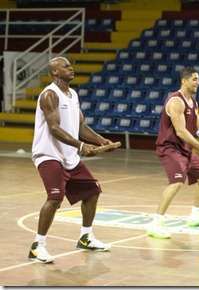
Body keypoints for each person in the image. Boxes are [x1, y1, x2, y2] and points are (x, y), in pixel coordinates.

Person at [29, 57, 116, 263]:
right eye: (66, 66)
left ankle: (86, 237)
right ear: (55, 72)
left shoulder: (73, 94)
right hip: (48, 154)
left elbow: (80, 126)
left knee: (93, 192)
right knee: (55, 198)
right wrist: (80, 146)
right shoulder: (50, 94)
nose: (71, 68)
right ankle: (37, 246)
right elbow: (54, 128)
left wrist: (99, 139)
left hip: (69, 156)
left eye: (70, 65)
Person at [146, 67, 199, 239]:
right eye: (195, 79)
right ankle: (156, 222)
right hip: (170, 148)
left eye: (198, 79)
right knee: (176, 183)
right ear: (184, 81)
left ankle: (196, 215)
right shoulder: (176, 101)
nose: (198, 82)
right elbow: (181, 131)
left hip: (185, 149)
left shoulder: (193, 102)